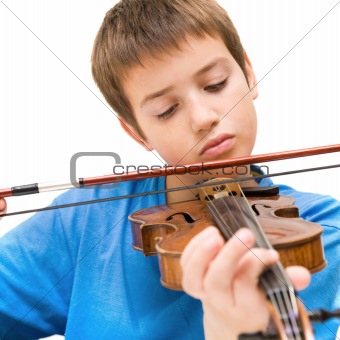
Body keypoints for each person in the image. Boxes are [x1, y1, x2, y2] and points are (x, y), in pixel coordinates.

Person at [0, 0, 338, 339]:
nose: (204, 117)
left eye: (216, 84)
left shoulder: (321, 231)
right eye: (166, 110)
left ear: (248, 72)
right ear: (135, 131)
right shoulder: (83, 220)